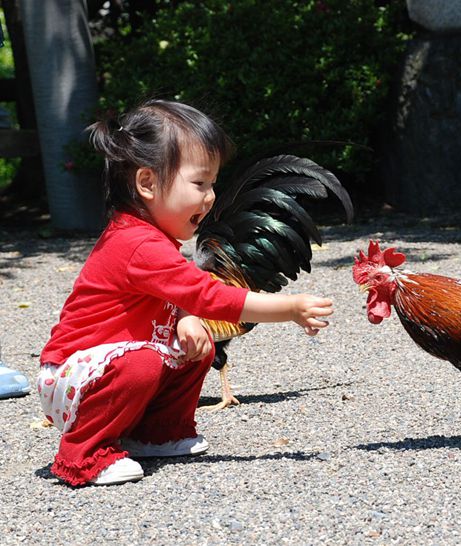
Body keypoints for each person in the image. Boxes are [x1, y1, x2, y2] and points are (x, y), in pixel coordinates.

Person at [37, 100, 333, 487]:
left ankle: (157, 432)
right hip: (72, 381)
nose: (210, 196)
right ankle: (83, 453)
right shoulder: (137, 245)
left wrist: (186, 317)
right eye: (199, 183)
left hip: (103, 372)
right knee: (142, 362)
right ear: (146, 183)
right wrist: (289, 307)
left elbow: (176, 297)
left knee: (198, 343)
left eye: (212, 184)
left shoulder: (150, 238)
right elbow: (210, 296)